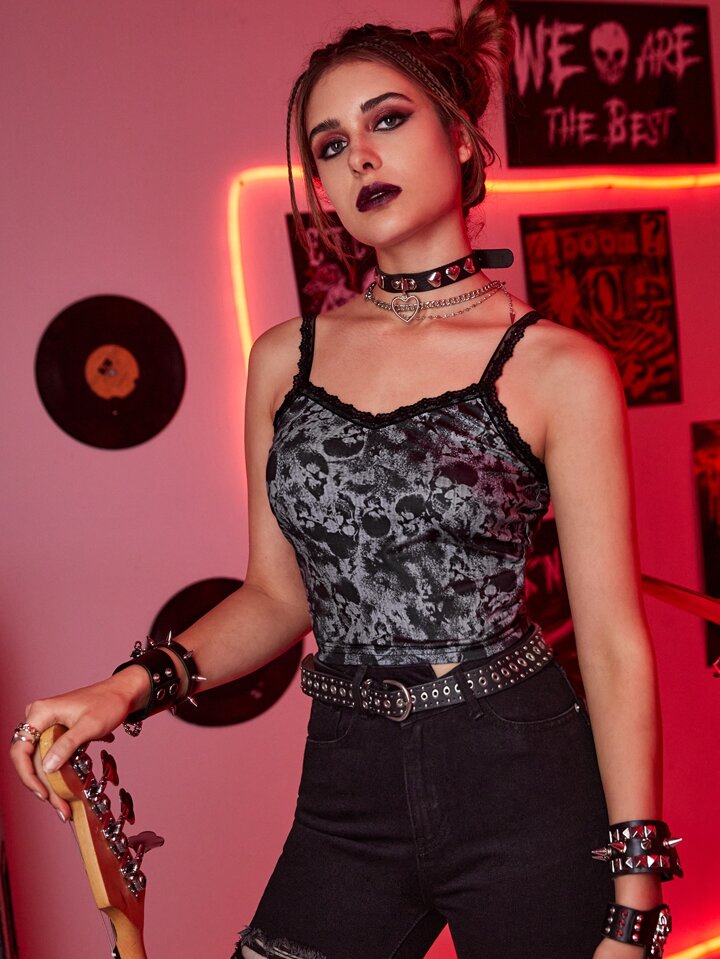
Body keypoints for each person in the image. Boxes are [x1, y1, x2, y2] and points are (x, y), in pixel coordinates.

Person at [10, 2, 682, 957]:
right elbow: (276, 596)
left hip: (520, 774)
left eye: (388, 120)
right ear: (322, 188)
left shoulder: (557, 367)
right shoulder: (283, 358)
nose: (360, 156)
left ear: (460, 136)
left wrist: (635, 904)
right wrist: (125, 689)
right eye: (331, 145)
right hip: (347, 777)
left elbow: (612, 645)